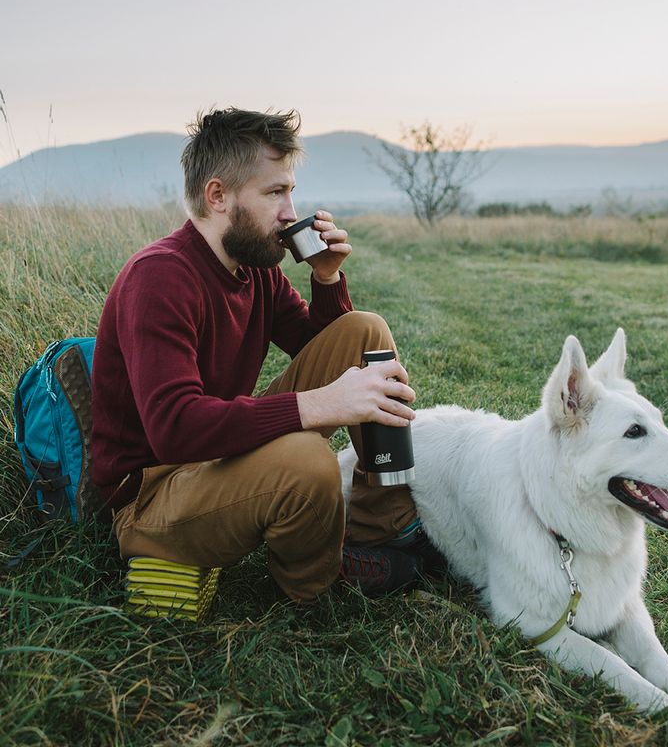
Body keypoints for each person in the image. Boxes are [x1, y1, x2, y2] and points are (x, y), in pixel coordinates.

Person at [90, 107, 424, 602]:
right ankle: (322, 579)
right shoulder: (159, 277)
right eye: (275, 193)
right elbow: (175, 428)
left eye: (290, 191)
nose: (292, 212)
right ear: (218, 196)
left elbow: (320, 345)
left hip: (215, 456)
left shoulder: (255, 269)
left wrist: (327, 278)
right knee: (307, 457)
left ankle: (383, 524)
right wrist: (319, 405)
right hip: (154, 496)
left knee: (365, 331)